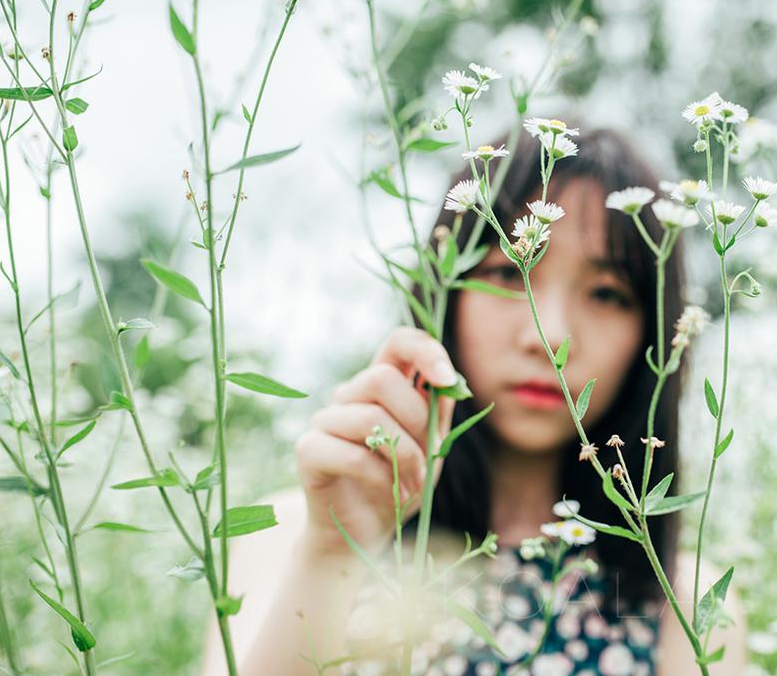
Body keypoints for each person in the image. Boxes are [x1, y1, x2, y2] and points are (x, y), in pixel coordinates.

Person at [198, 125, 747, 676]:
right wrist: (334, 552)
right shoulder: (298, 534)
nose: (550, 336)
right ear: (445, 284)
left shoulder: (685, 600)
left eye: (607, 293)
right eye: (508, 272)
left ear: (656, 330)